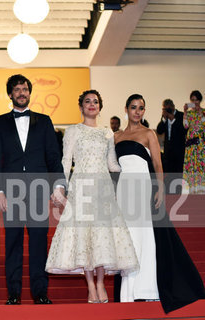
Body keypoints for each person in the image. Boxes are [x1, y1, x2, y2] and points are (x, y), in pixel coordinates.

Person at [45, 89, 138, 304]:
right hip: (81, 187)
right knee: (85, 238)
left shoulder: (107, 132)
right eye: (87, 101)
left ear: (100, 106)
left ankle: (100, 283)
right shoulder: (73, 131)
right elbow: (66, 161)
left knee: (101, 237)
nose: (92, 105)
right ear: (81, 107)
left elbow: (112, 163)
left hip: (103, 188)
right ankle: (90, 286)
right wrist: (60, 188)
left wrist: (137, 162)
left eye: (95, 101)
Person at [115, 94, 205, 313]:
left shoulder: (149, 133)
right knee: (128, 240)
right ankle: (128, 292)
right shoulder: (116, 136)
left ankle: (147, 291)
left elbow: (157, 163)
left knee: (146, 239)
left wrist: (161, 190)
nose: (137, 111)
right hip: (124, 192)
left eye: (142, 108)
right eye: (134, 107)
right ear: (126, 109)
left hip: (144, 189)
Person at [0, 74, 66, 305]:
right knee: (12, 242)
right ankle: (13, 293)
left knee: (38, 242)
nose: (21, 93)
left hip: (39, 188)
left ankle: (40, 292)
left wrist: (59, 184)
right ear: (10, 94)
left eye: (25, 89)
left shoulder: (44, 121)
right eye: (17, 89)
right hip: (10, 190)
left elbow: (53, 156)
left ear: (29, 93)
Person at [156, 98, 187, 193]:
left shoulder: (181, 115)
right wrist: (164, 119)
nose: (167, 111)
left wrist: (172, 119)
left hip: (179, 151)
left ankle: (178, 193)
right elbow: (159, 130)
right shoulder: (165, 118)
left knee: (178, 174)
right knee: (168, 175)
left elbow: (184, 130)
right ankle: (169, 193)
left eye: (169, 109)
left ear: (173, 107)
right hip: (168, 152)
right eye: (165, 109)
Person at [183, 90, 205, 194]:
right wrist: (185, 112)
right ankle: (191, 188)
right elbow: (186, 126)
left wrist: (201, 113)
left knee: (200, 164)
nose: (194, 102)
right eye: (192, 100)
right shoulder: (189, 113)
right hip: (190, 143)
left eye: (196, 100)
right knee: (191, 164)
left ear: (200, 100)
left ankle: (201, 188)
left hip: (200, 143)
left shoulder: (204, 112)